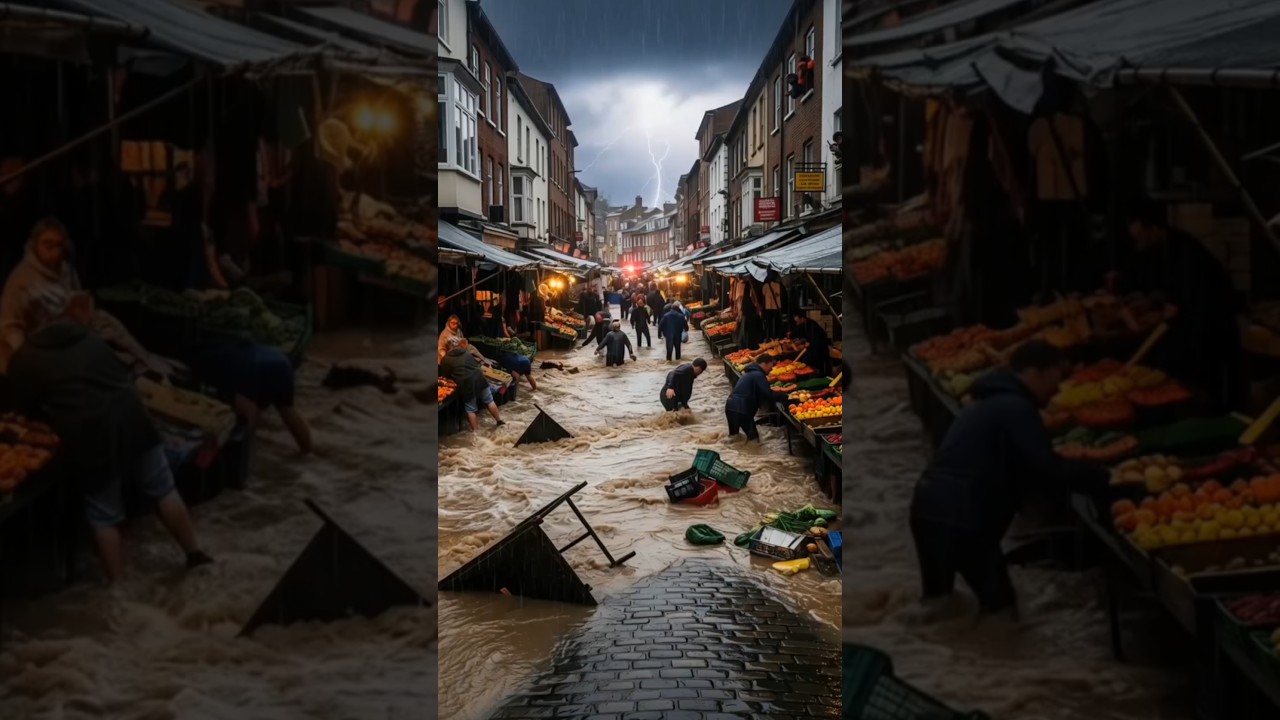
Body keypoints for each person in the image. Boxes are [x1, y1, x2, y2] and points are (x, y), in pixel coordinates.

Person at [8, 293, 213, 582]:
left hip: (91, 434)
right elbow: (117, 374)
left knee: (104, 515)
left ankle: (120, 591)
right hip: (132, 417)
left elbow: (23, 410)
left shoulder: (25, 359)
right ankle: (196, 554)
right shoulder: (87, 337)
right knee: (164, 490)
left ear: (29, 322)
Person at [909, 341, 1107, 621]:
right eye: (1057, 376)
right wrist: (1097, 477)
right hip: (965, 515)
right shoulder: (1016, 407)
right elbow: (1045, 467)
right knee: (1002, 612)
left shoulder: (983, 404)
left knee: (938, 602)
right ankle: (1000, 661)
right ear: (1037, 372)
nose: (1058, 388)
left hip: (926, 508)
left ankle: (913, 644)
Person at [0, 218, 170, 376]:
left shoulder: (65, 270)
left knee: (109, 327)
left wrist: (80, 310)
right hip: (44, 340)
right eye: (47, 244)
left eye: (58, 245)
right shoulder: (21, 280)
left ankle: (145, 363)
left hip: (73, 328)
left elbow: (75, 295)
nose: (53, 250)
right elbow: (10, 325)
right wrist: (23, 357)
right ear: (35, 245)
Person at [1119, 203, 1244, 411]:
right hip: (1194, 322)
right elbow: (1169, 290)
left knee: (1206, 388)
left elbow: (1183, 300)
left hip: (1211, 325)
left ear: (1155, 229)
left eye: (1141, 237)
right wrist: (1152, 301)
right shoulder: (1163, 248)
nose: (1139, 244)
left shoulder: (1185, 250)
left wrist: (1159, 313)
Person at [183, 338, 312, 453]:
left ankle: (246, 455)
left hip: (255, 366)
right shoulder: (220, 348)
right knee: (288, 411)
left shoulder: (209, 366)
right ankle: (308, 452)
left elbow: (243, 405)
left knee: (245, 415)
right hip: (279, 361)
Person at [439, 336, 504, 431]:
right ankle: (499, 421)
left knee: (470, 409)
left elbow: (445, 376)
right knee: (489, 401)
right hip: (479, 377)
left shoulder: (446, 359)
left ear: (447, 347)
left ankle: (476, 433)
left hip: (467, 383)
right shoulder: (465, 352)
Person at [724, 353, 791, 442]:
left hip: (730, 406)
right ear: (764, 363)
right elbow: (767, 393)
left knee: (733, 437)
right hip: (742, 408)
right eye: (771, 366)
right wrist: (783, 396)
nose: (771, 370)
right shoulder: (758, 374)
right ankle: (754, 455)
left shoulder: (749, 373)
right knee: (754, 440)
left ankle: (729, 452)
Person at [792, 311, 832, 377]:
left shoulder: (812, 325)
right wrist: (801, 341)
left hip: (820, 348)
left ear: (802, 318)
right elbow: (807, 338)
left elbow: (810, 342)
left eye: (798, 321)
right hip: (815, 348)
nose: (797, 323)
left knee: (818, 367)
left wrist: (801, 346)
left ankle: (821, 379)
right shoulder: (805, 324)